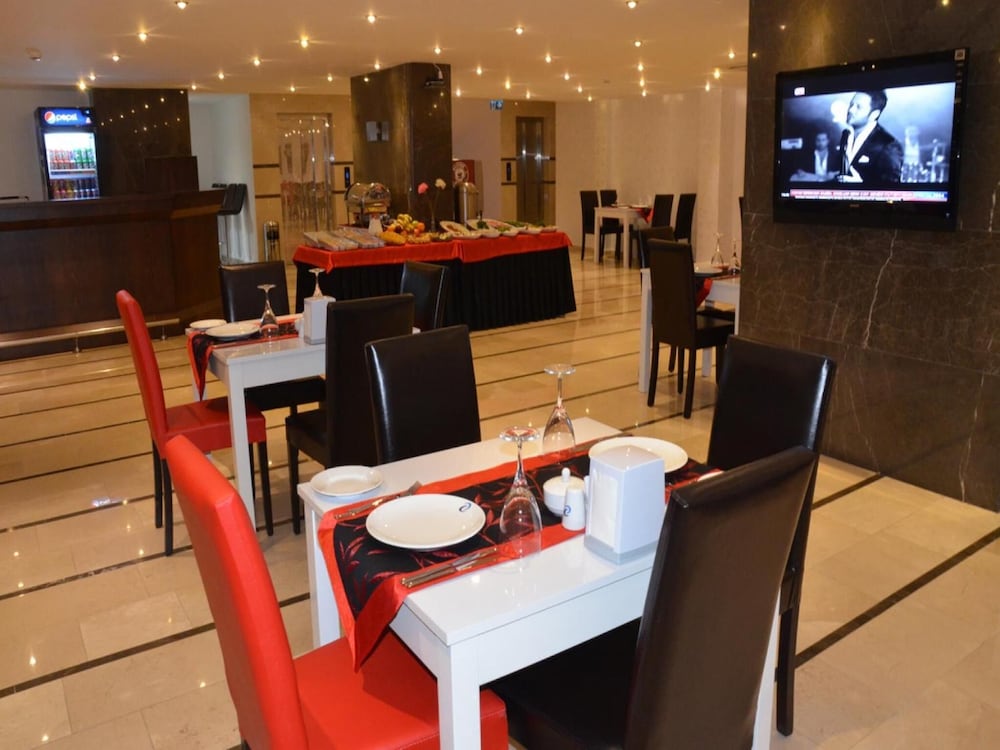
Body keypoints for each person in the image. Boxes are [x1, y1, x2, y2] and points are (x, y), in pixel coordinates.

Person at [837, 90, 903, 185]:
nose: (851, 110)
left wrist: (862, 186)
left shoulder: (888, 145)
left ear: (874, 114)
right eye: (851, 104)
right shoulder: (846, 135)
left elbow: (892, 187)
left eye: (858, 107)